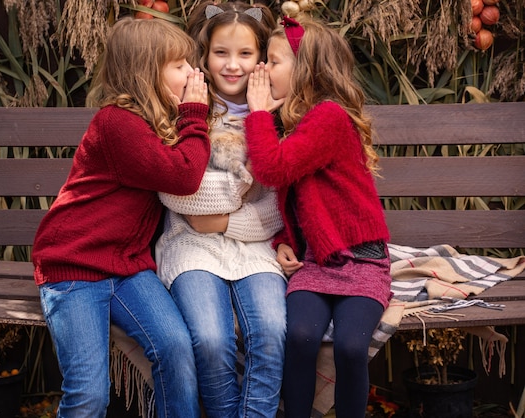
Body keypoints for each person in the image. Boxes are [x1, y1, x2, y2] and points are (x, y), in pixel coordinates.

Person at [31, 17, 210, 418]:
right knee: (90, 394)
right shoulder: (117, 124)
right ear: (147, 72)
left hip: (127, 268)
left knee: (175, 347)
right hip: (74, 267)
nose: (192, 73)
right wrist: (195, 115)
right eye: (180, 65)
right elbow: (184, 176)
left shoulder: (152, 124)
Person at [245, 16, 392, 418]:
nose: (263, 70)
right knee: (301, 336)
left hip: (362, 259)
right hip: (317, 262)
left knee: (349, 345)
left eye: (273, 61)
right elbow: (294, 198)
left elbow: (272, 169)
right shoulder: (300, 120)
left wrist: (257, 114)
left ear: (305, 67)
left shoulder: (329, 117)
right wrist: (284, 241)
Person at [154, 2, 286, 418]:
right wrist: (241, 185)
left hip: (257, 246)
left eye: (245, 55)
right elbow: (178, 193)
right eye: (221, 53)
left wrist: (226, 219)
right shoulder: (184, 108)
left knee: (269, 331)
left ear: (261, 59)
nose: (232, 66)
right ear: (204, 56)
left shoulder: (278, 117)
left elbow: (278, 207)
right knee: (211, 339)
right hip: (190, 244)